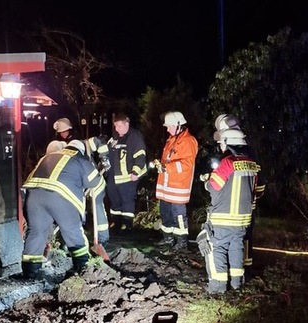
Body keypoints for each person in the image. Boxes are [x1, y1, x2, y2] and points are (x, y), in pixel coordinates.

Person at [20, 140, 105, 279]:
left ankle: (30, 272)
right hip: (60, 196)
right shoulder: (80, 159)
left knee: (36, 232)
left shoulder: (48, 156)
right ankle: (82, 267)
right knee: (72, 231)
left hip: (34, 195)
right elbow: (94, 182)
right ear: (81, 150)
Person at [197, 128, 260, 294]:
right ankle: (237, 284)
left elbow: (213, 186)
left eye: (222, 142)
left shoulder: (227, 162)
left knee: (215, 249)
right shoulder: (252, 164)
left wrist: (206, 180)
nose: (221, 146)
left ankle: (218, 288)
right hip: (242, 221)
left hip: (222, 219)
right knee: (236, 249)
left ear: (229, 143)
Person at [213, 114, 266, 269]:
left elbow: (259, 180)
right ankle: (240, 267)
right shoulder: (245, 150)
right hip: (243, 202)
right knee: (241, 235)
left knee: (243, 235)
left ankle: (244, 266)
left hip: (240, 203)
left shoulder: (239, 152)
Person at [154, 111, 198, 251]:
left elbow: (187, 164)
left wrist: (166, 168)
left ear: (179, 125)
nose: (167, 129)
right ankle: (168, 237)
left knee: (178, 214)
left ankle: (181, 241)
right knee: (165, 212)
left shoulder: (188, 141)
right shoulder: (171, 140)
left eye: (169, 126)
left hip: (178, 186)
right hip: (166, 185)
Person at [105, 112, 148, 231]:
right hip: (113, 176)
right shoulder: (115, 136)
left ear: (126, 124)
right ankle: (116, 223)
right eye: (115, 126)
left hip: (128, 177)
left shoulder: (135, 136)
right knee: (114, 201)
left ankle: (127, 225)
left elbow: (140, 155)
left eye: (119, 126)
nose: (116, 128)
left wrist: (135, 172)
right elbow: (107, 150)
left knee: (127, 201)